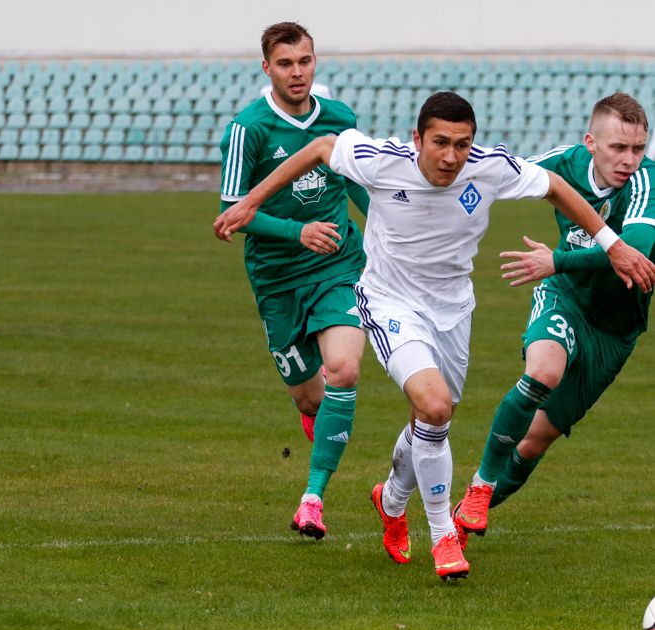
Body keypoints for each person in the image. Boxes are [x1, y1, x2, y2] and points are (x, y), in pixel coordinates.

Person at [214, 91, 655, 580]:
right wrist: (250, 202)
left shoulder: (488, 168)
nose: (450, 156)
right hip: (389, 304)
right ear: (418, 139)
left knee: (430, 421)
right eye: (440, 142)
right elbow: (321, 147)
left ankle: (392, 498)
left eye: (462, 144)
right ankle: (444, 534)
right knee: (435, 406)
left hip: (453, 311)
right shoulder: (380, 160)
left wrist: (611, 245)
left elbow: (553, 185)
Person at [453, 92, 655, 546]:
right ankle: (480, 488)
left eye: (638, 148)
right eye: (618, 148)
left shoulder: (647, 182)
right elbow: (497, 172)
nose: (629, 159)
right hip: (564, 297)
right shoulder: (561, 165)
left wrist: (558, 260)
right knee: (543, 371)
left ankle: (453, 521)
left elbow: (633, 253)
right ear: (590, 142)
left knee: (531, 444)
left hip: (615, 332)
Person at [216, 21, 370, 541]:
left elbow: (359, 185)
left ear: (315, 60)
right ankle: (315, 415)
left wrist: (388, 239)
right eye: (285, 64)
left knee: (344, 369)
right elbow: (231, 214)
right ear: (267, 68)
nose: (297, 72)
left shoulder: (340, 119)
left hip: (338, 266)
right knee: (310, 398)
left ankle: (312, 499)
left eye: (304, 61)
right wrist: (295, 230)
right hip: (277, 278)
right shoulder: (248, 129)